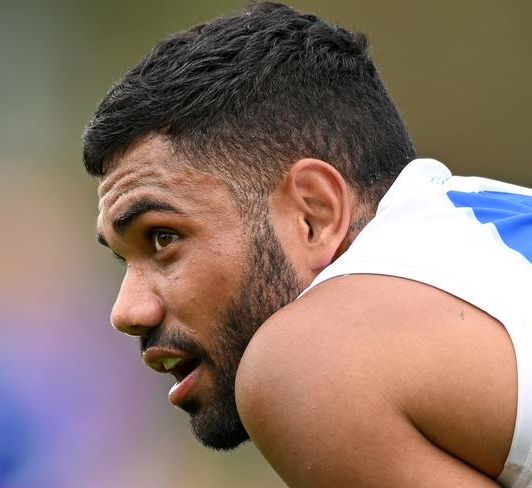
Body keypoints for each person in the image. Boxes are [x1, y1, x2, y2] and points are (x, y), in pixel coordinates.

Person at [83, 2, 532, 486]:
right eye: (121, 257)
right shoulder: (490, 223)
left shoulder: (313, 362)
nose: (126, 311)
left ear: (313, 214)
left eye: (163, 237)